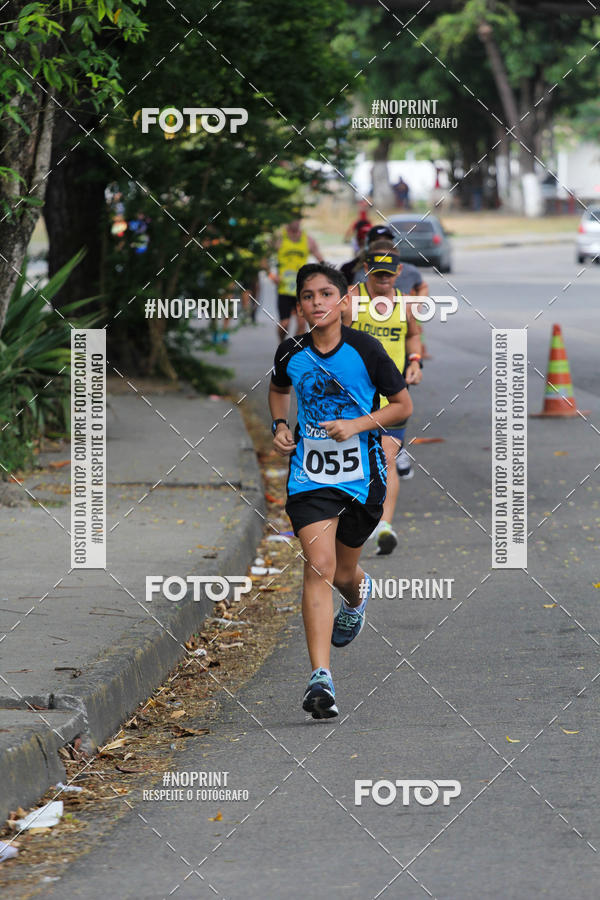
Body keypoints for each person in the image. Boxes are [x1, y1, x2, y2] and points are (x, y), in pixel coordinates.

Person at [269, 263, 412, 718]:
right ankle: (321, 680)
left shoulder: (366, 350)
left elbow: (403, 406)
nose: (317, 302)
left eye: (326, 293)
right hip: (309, 479)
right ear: (300, 305)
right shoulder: (290, 351)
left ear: (343, 300)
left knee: (345, 573)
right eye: (308, 295)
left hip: (360, 480)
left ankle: (357, 596)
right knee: (319, 566)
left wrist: (356, 424)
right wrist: (278, 424)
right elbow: (278, 389)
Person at [342, 245, 423, 554]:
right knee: (359, 461)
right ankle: (350, 522)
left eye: (389, 274)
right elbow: (332, 337)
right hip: (354, 396)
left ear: (399, 273)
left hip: (393, 397)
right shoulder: (351, 299)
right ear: (366, 270)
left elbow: (413, 335)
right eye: (378, 274)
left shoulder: (405, 303)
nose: (384, 280)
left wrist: (414, 362)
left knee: (387, 457)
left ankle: (384, 527)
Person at [274, 219, 323, 342]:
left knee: (302, 323)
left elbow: (320, 259)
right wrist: (271, 275)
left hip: (301, 289)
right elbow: (263, 258)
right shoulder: (280, 239)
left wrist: (322, 274)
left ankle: (294, 350)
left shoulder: (307, 240)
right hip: (284, 288)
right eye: (292, 218)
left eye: (297, 219)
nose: (295, 222)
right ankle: (282, 345)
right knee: (284, 324)